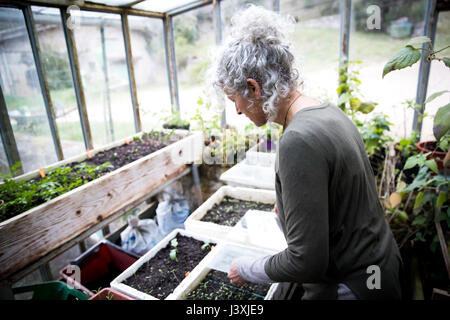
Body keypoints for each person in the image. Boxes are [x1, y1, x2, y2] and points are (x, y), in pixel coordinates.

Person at [212, 5, 404, 300]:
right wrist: (291, 208)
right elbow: (338, 198)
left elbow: (306, 260)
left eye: (233, 98)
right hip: (380, 268)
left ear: (253, 88)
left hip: (355, 285)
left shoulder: (297, 140)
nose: (236, 110)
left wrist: (246, 269)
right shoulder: (324, 112)